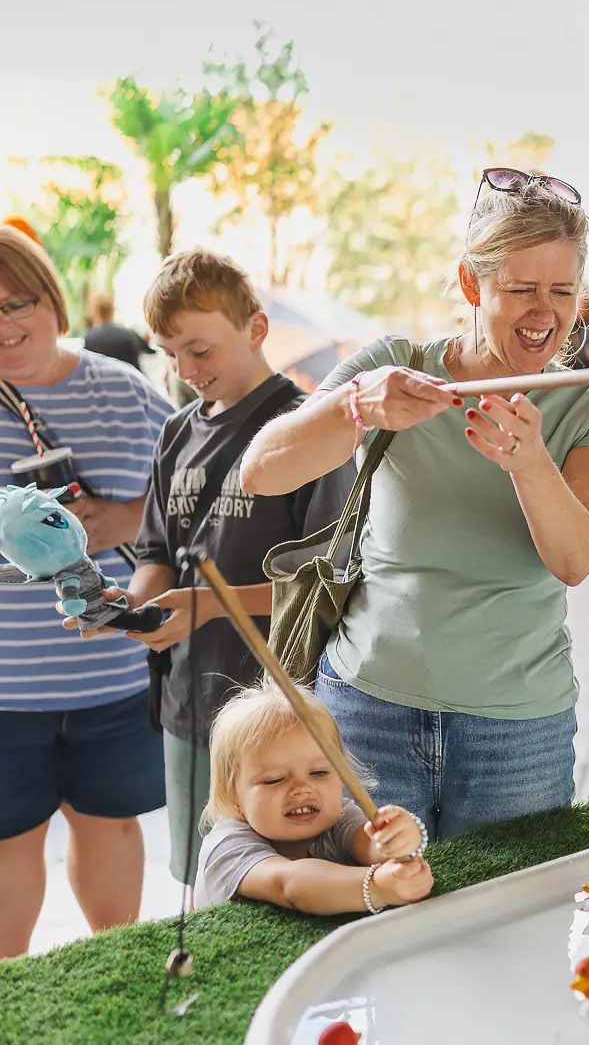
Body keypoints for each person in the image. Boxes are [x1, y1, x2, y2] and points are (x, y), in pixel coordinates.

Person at [239, 172, 589, 841]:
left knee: (508, 931)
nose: (545, 312)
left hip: (519, 730)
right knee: (374, 924)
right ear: (473, 284)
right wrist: (355, 403)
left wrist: (531, 464)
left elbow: (574, 559)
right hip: (367, 712)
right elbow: (262, 472)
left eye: (562, 292)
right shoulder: (394, 364)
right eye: (522, 289)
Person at [67, 249, 357, 886]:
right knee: (203, 879)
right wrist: (128, 607)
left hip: (277, 715)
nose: (184, 370)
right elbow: (157, 557)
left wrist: (204, 605)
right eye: (169, 353)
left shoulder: (303, 428)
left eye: (200, 350)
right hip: (189, 704)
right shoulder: (175, 432)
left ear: (256, 330)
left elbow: (324, 586)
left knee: (286, 880)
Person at [0, 226, 173, 958]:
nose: (5, 327)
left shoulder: (125, 390)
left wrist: (126, 516)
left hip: (111, 672)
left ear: (52, 300)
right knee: (9, 845)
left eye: (17, 304)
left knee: (111, 824)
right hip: (6, 686)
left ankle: (116, 984)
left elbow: (193, 493)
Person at [193, 678, 432, 912]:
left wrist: (400, 838)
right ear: (234, 798)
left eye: (318, 772)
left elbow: (370, 847)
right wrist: (378, 887)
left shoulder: (339, 815)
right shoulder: (226, 846)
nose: (302, 788)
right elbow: (288, 884)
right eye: (274, 779)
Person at [82, 293, 155, 371]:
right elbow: (150, 350)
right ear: (112, 310)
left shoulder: (90, 337)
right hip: (132, 380)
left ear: (94, 312)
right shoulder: (129, 333)